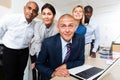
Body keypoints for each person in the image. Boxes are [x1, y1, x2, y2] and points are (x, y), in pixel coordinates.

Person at [36, 14, 85, 80]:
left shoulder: (80, 39)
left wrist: (66, 65)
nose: (67, 30)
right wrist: (53, 73)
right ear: (58, 28)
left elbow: (81, 60)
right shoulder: (48, 42)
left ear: (75, 28)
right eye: (63, 26)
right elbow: (39, 64)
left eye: (70, 26)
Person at [0, 1, 39, 80]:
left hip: (24, 52)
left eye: (34, 11)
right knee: (9, 76)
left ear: (36, 15)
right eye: (29, 8)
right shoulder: (11, 18)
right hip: (10, 51)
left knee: (20, 75)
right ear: (24, 9)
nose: (31, 12)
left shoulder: (36, 25)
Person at [29, 3, 58, 80]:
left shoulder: (57, 29)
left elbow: (51, 46)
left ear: (54, 15)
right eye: (44, 14)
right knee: (34, 73)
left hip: (48, 54)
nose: (46, 16)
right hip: (35, 52)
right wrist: (38, 61)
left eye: (49, 14)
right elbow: (38, 41)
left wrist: (41, 61)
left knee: (44, 73)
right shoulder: (37, 25)